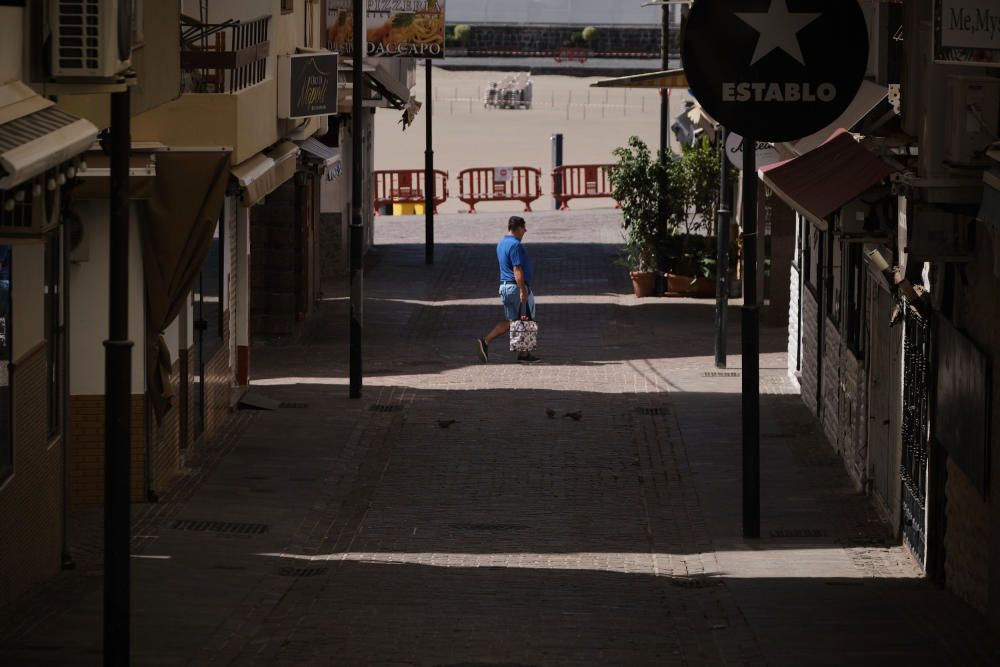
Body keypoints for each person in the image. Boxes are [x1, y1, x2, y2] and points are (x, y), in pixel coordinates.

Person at [476, 216, 540, 364]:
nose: (525, 231)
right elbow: (517, 269)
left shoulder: (501, 244)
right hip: (515, 287)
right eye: (524, 228)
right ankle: (524, 355)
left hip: (504, 287)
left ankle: (485, 341)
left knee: (512, 320)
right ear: (518, 228)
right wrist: (523, 290)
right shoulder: (516, 245)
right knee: (526, 319)